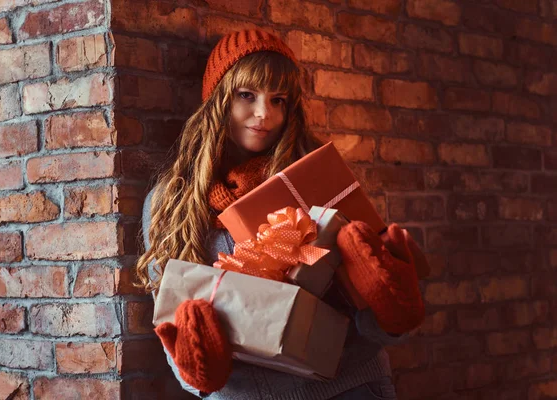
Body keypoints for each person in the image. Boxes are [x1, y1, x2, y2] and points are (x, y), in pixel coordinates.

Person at [138, 29, 427, 400]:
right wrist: (197, 366)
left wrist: (391, 311)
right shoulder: (172, 201)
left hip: (351, 384)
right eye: (247, 95)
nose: (264, 115)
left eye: (278, 100)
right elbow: (173, 329)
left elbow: (367, 313)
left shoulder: (315, 173)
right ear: (217, 100)